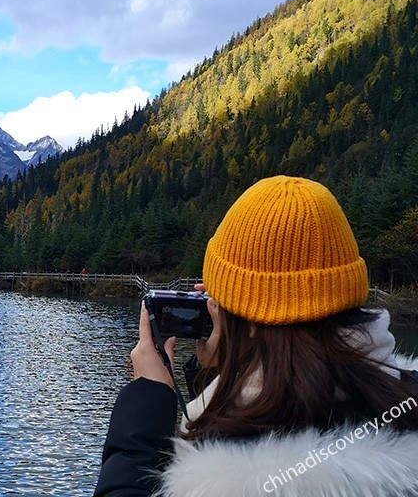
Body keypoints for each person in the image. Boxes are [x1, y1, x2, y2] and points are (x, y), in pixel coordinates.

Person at [94, 176, 418, 497]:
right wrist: (227, 371)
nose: (211, 307)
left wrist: (148, 397)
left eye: (219, 301)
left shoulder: (215, 480)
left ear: (248, 323)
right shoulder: (404, 399)